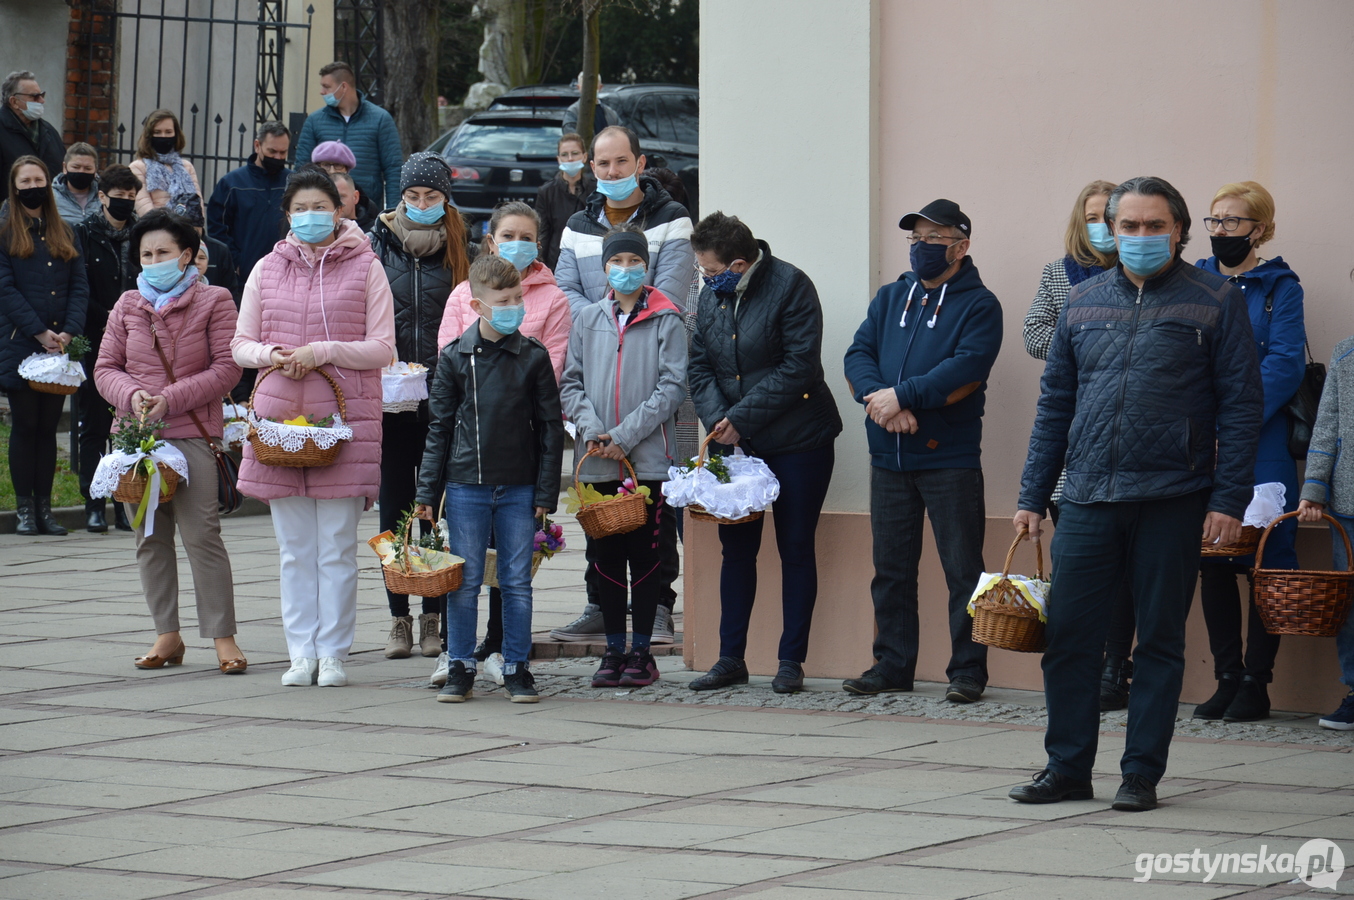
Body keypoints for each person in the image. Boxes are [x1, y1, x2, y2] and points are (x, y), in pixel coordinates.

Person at [1011, 176, 1262, 812]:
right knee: (1069, 637)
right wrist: (1032, 496)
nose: (1141, 237)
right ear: (1109, 231)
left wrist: (1228, 501)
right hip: (1089, 496)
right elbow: (1054, 405)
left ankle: (1141, 774)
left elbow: (1240, 407)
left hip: (1173, 497)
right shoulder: (1083, 299)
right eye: (1129, 226)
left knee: (1158, 641)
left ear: (1178, 231)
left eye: (1155, 226)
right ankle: (1066, 767)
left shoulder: (1217, 298)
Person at [230, 168, 395, 688]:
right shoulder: (265, 267)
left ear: (340, 209)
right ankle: (300, 652)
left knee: (336, 548)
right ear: (287, 214)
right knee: (294, 549)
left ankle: (334, 653)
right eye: (300, 208)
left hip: (344, 424)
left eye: (320, 206)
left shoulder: (367, 267)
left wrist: (323, 351)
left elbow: (383, 347)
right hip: (280, 424)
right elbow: (241, 344)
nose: (310, 216)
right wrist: (274, 355)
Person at [842, 199, 1002, 703]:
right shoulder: (892, 297)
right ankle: (891, 664)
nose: (921, 248)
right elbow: (857, 354)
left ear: (961, 246)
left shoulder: (980, 305)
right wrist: (882, 401)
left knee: (962, 570)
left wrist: (904, 396)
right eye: (915, 240)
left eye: (933, 239)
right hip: (887, 457)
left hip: (947, 458)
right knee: (890, 569)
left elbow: (966, 368)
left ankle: (969, 671)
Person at [686, 212, 842, 694]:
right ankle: (731, 657)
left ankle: (791, 661)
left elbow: (799, 367)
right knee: (737, 551)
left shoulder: (792, 285)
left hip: (800, 441)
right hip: (737, 443)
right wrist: (719, 422)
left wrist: (742, 418)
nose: (706, 280)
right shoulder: (710, 295)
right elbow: (698, 365)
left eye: (711, 272)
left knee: (795, 548)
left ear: (739, 262)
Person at [94, 209, 246, 673]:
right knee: (149, 538)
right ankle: (168, 636)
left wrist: (169, 398)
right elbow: (104, 369)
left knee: (203, 536)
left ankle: (223, 638)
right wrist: (132, 394)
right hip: (136, 442)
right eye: (146, 253)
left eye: (163, 252)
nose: (154, 260)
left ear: (186, 255)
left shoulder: (215, 300)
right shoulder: (126, 305)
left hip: (192, 435)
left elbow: (228, 368)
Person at [414, 255, 565, 703]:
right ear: (479, 307)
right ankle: (460, 665)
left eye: (518, 298)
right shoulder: (455, 357)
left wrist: (545, 491)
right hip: (466, 487)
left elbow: (551, 428)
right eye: (504, 300)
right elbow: (439, 427)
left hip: (519, 487)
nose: (515, 306)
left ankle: (517, 667)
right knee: (464, 581)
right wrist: (427, 490)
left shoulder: (533, 356)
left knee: (516, 581)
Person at [1023, 180, 1137, 712]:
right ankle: (1080, 666)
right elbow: (1034, 333)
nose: (1101, 224)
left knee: (1125, 574)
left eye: (1108, 215)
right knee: (1079, 565)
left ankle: (1118, 666)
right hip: (1075, 437)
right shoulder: (1058, 273)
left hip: (1133, 442)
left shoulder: (1142, 276)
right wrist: (1086, 337)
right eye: (1092, 215)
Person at [1193, 181, 1305, 723]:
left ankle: (1257, 683)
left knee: (1265, 561)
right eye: (1214, 221)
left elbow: (1285, 362)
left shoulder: (1280, 286)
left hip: (1261, 442)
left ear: (1258, 229)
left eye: (1232, 222)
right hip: (1199, 440)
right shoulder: (1190, 281)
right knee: (1211, 560)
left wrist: (1233, 418)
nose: (1221, 232)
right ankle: (1226, 677)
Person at [560, 224, 686, 688]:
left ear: (646, 265)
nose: (626, 269)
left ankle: (642, 653)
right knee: (605, 557)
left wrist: (625, 435)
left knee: (647, 557)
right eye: (618, 262)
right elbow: (570, 383)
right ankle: (612, 651)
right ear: (605, 268)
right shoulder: (588, 318)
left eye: (635, 261)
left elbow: (671, 387)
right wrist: (596, 432)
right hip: (596, 463)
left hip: (646, 462)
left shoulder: (666, 318)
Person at [368, 153, 470, 660]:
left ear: (445, 199)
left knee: (433, 507)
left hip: (444, 396)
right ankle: (398, 618)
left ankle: (433, 614)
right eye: (414, 196)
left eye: (432, 197)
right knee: (394, 506)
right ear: (400, 196)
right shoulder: (375, 245)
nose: (423, 205)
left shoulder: (461, 247)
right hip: (391, 399)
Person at [0, 156, 88, 536]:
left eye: (39, 178)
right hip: (22, 344)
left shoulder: (66, 232)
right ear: (15, 187)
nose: (33, 185)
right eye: (26, 180)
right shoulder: (4, 233)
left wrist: (68, 332)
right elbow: (5, 289)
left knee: (48, 428)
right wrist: (38, 332)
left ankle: (45, 510)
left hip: (58, 348)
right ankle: (24, 511)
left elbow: (80, 287)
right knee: (26, 426)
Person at [555, 126, 694, 319]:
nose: (613, 172)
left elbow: (669, 296)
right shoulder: (576, 226)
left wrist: (618, 327)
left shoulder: (673, 219)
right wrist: (603, 328)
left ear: (640, 163)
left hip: (650, 344)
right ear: (593, 168)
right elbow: (565, 292)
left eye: (621, 161)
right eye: (604, 163)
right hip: (592, 344)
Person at [73, 163, 142, 532]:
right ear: (102, 197)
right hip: (97, 339)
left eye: (131, 198)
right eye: (118, 197)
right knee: (95, 424)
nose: (124, 203)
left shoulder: (140, 234)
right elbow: (79, 287)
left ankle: (124, 500)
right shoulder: (83, 234)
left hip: (137, 342)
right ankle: (93, 502)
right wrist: (112, 318)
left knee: (129, 424)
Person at [1299, 341, 1354, 730]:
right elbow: (1328, 423)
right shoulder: (1346, 353)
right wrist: (1314, 488)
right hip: (1349, 503)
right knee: (1350, 605)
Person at [293, 62, 404, 209]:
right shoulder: (315, 121)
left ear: (343, 87)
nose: (321, 92)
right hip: (324, 208)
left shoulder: (380, 119)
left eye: (326, 87)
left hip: (366, 208)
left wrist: (393, 212)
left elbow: (393, 169)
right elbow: (301, 168)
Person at [206, 121, 291, 287]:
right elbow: (217, 228)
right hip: (243, 278)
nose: (278, 158)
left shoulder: (293, 182)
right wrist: (236, 263)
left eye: (283, 152)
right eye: (272, 151)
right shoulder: (232, 183)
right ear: (257, 146)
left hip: (285, 274)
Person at [0, 72, 62, 206]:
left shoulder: (49, 131)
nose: (41, 101)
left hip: (47, 214)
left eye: (42, 95)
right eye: (35, 97)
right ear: (14, 101)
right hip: (9, 217)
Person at [128, 109, 203, 216]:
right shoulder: (138, 167)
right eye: (157, 132)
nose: (163, 136)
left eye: (168, 132)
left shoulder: (187, 166)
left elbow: (197, 204)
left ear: (176, 134)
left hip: (187, 230)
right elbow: (144, 207)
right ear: (149, 135)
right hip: (156, 229)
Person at [536, 133, 594, 271]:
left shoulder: (595, 189)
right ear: (559, 159)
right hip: (556, 261)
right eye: (564, 154)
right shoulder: (547, 192)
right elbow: (543, 233)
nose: (570, 159)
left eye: (574, 153)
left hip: (589, 258)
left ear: (584, 157)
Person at [313, 141, 380, 230]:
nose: (332, 170)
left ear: (346, 169)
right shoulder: (306, 199)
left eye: (338, 165)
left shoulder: (368, 207)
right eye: (326, 165)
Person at [53, 144, 101, 226]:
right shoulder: (51, 197)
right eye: (76, 167)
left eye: (88, 168)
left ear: (95, 170)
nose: (81, 171)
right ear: (65, 167)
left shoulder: (104, 197)